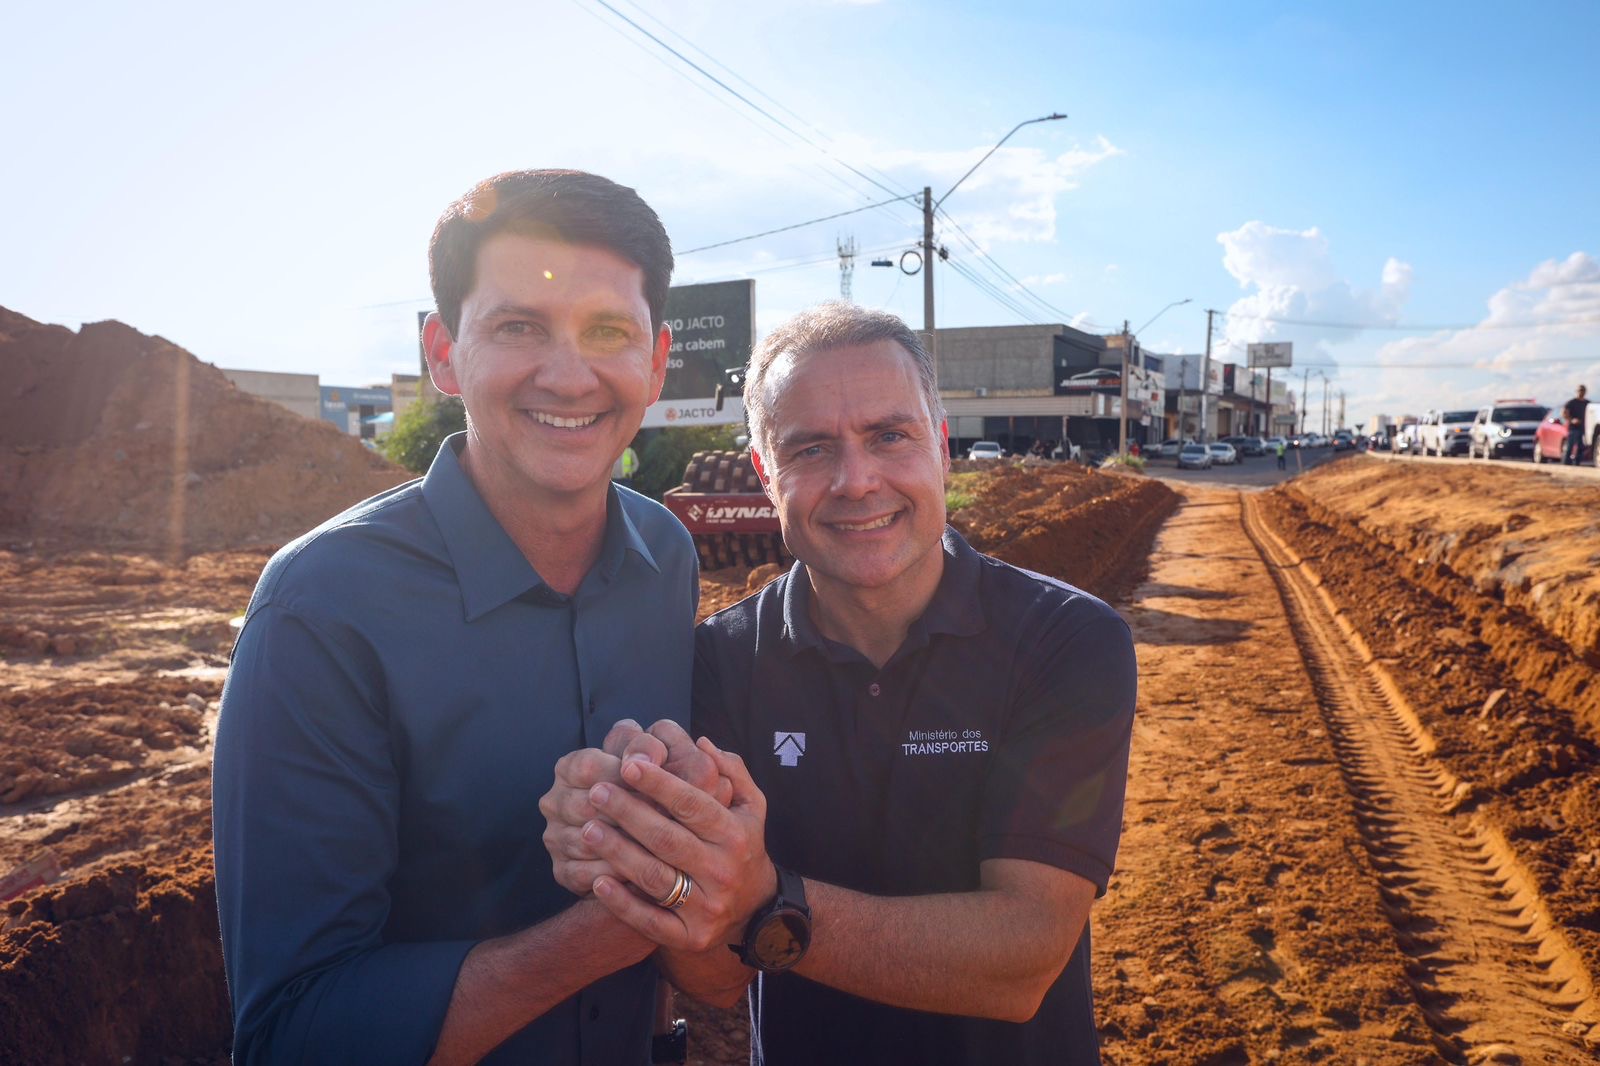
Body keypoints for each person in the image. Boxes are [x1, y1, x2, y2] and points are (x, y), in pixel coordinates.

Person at [542, 303, 1137, 1064]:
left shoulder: (1066, 641)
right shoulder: (721, 664)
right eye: (811, 449)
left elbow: (1023, 959)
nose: (857, 481)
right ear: (764, 473)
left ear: (941, 446)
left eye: (890, 436)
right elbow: (715, 978)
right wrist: (630, 847)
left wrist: (765, 901)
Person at [213, 169, 711, 1065]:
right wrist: (629, 919)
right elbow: (292, 1032)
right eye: (518, 326)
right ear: (443, 353)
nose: (569, 375)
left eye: (608, 332)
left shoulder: (667, 559)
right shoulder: (320, 611)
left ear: (657, 361)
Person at [1562, 384, 1589, 465]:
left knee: (1581, 447)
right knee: (1570, 446)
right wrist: (1572, 420)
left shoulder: (1587, 403)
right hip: (1573, 428)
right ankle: (1566, 463)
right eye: (1580, 390)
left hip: (1584, 428)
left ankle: (1577, 463)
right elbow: (1564, 413)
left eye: (1583, 390)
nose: (1581, 392)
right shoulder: (1571, 403)